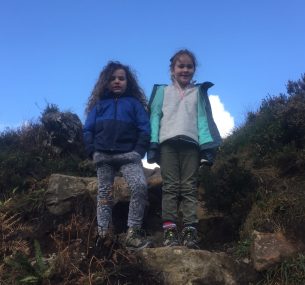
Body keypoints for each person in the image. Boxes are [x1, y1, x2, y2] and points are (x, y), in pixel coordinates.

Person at [147, 49, 221, 249]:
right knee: (170, 187)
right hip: (167, 144)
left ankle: (190, 230)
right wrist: (152, 144)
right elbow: (154, 118)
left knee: (189, 187)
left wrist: (207, 148)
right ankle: (170, 231)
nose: (185, 69)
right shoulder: (162, 91)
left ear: (194, 70)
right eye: (181, 66)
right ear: (172, 69)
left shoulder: (198, 92)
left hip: (191, 145)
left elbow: (203, 121)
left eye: (189, 66)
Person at [83, 61, 152, 250]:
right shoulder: (99, 105)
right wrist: (93, 151)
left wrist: (138, 152)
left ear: (128, 82)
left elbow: (145, 129)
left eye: (121, 78)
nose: (117, 81)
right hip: (103, 156)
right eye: (112, 78)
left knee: (139, 187)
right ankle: (103, 235)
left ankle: (133, 233)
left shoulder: (134, 104)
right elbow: (88, 130)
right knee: (104, 194)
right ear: (105, 82)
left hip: (129, 155)